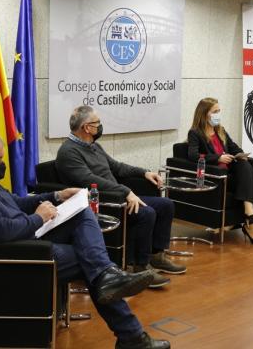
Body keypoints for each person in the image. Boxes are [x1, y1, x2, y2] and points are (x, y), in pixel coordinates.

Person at [0, 128, 169, 349]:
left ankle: (110, 280)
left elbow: (14, 202)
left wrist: (57, 195)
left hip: (25, 236)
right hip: (14, 253)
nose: (1, 165)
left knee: (82, 214)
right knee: (90, 263)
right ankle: (132, 335)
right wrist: (38, 218)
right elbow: (1, 231)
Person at [56, 106, 186, 288]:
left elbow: (117, 167)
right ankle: (140, 267)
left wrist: (144, 173)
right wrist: (125, 192)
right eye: (97, 123)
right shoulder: (69, 152)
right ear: (86, 127)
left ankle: (156, 255)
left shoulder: (93, 145)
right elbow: (89, 181)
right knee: (146, 213)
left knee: (165, 205)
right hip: (101, 202)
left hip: (118, 195)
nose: (100, 126)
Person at [187, 97, 253, 245]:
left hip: (232, 174)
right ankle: (250, 222)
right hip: (217, 177)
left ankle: (249, 213)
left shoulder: (220, 130)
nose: (218, 114)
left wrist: (240, 154)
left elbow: (235, 147)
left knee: (244, 164)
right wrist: (218, 158)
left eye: (219, 111)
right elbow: (193, 155)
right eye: (215, 111)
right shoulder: (195, 133)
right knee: (248, 174)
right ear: (205, 114)